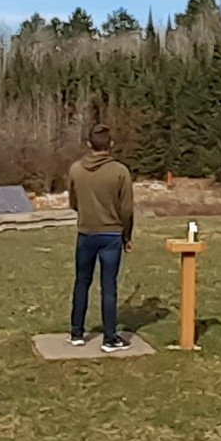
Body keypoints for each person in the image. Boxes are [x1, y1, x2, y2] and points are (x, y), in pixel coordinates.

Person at [67, 123, 135, 350]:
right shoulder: (120, 171)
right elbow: (126, 210)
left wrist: (88, 214)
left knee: (81, 282)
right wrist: (127, 235)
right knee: (108, 287)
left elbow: (73, 202)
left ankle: (77, 332)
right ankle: (109, 338)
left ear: (89, 145)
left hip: (86, 232)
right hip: (111, 234)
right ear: (111, 145)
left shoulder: (76, 169)